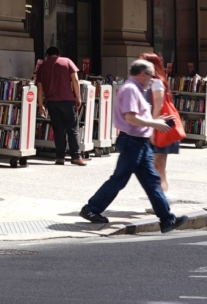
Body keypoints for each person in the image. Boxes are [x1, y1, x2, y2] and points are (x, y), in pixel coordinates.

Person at [80, 59, 189, 233]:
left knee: (152, 180)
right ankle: (91, 208)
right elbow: (131, 118)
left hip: (139, 142)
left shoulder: (137, 89)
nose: (153, 80)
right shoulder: (131, 89)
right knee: (120, 179)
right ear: (142, 74)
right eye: (151, 76)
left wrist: (154, 122)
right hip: (132, 141)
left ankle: (167, 220)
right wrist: (154, 124)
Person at [34, 46, 87, 166]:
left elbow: (40, 87)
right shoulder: (67, 61)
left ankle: (60, 157)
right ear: (58, 54)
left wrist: (41, 105)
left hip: (51, 102)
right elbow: (75, 80)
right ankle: (76, 156)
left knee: (58, 130)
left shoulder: (43, 66)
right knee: (72, 129)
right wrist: (78, 97)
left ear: (47, 55)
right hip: (67, 100)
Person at [141, 52, 178, 195]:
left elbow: (157, 105)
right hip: (158, 126)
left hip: (159, 128)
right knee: (158, 165)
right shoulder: (153, 82)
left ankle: (162, 198)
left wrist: (152, 128)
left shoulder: (156, 82)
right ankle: (162, 197)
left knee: (158, 166)